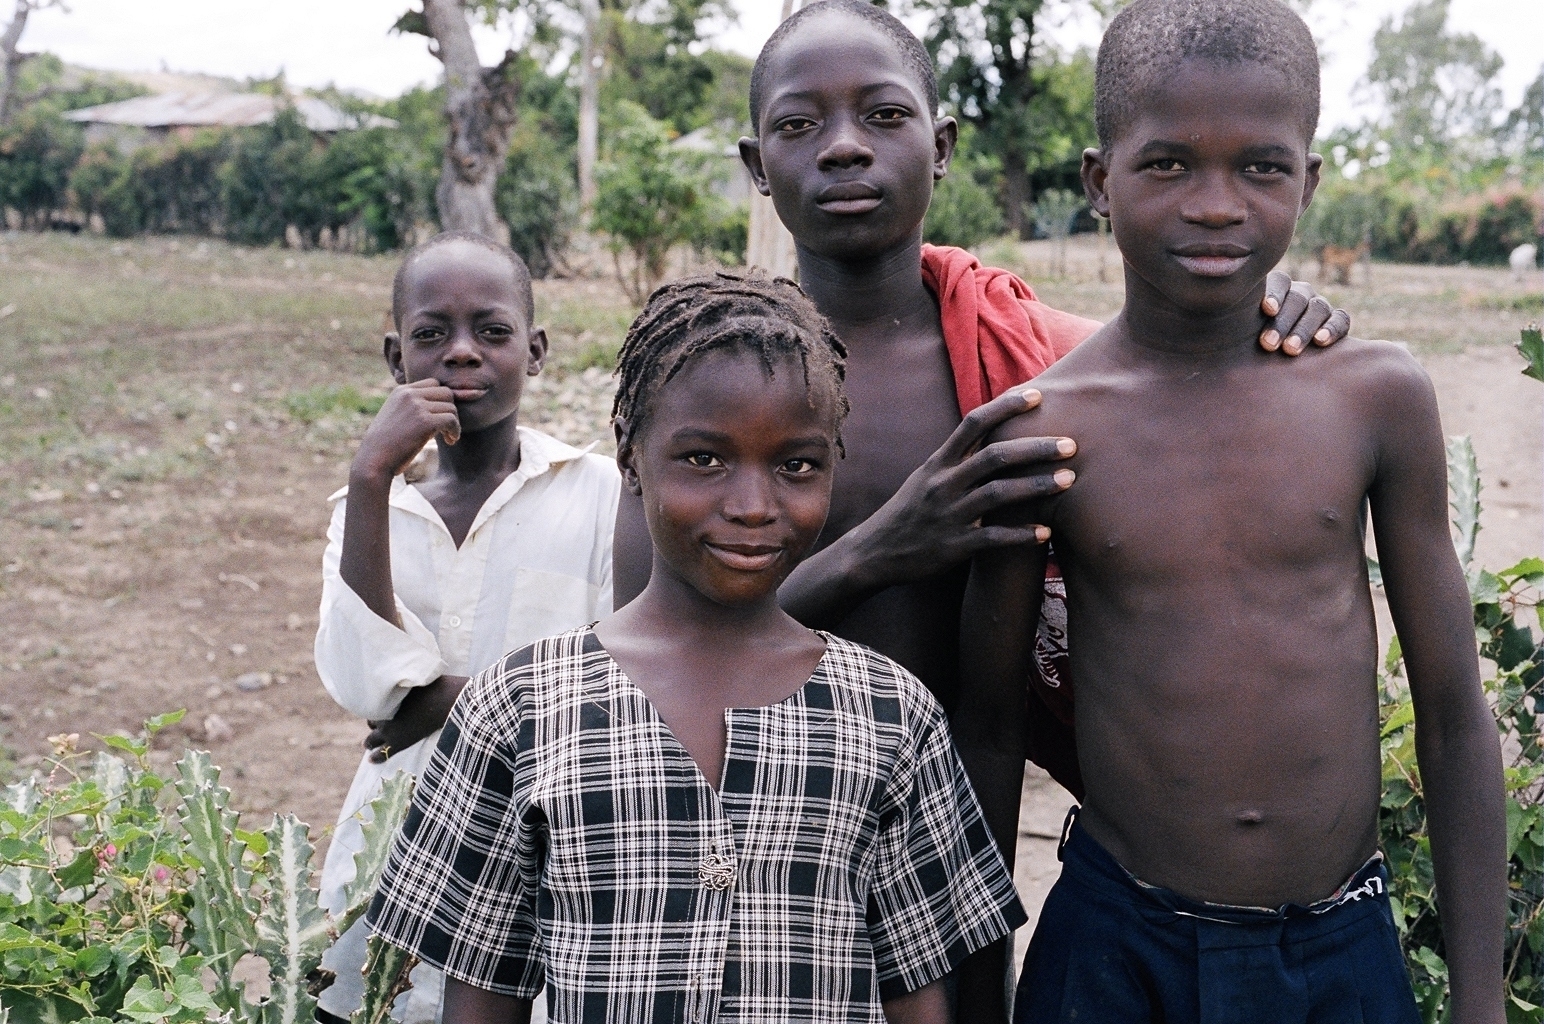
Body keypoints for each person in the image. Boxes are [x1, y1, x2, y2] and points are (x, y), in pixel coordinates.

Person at [611, 2, 1353, 1013]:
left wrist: (1272, 309)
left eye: (881, 116)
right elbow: (646, 647)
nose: (840, 149)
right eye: (798, 126)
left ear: (942, 144)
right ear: (754, 161)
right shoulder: (703, 379)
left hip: (949, 845)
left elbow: (1180, 364)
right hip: (746, 833)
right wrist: (886, 545)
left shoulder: (1029, 362)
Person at [954, 1, 1507, 1021]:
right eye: (1165, 164)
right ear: (1096, 183)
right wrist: (979, 990)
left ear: (1308, 181)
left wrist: (1477, 1002)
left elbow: (1452, 715)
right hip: (1117, 945)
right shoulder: (1045, 430)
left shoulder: (1374, 396)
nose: (1214, 204)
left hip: (1338, 948)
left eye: (1259, 166)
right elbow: (986, 729)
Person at [366, 274, 1027, 1024]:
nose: (752, 505)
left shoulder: (892, 716)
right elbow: (482, 999)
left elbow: (918, 999)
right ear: (630, 458)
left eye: (796, 465)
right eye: (704, 460)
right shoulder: (517, 709)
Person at [312, 232, 619, 1024]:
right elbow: (367, 687)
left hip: (557, 852)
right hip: (391, 846)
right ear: (394, 357)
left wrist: (450, 698)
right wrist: (370, 471)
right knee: (373, 1000)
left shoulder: (599, 497)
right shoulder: (365, 513)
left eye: (491, 331)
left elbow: (629, 672)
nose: (460, 354)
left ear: (537, 350)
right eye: (429, 335)